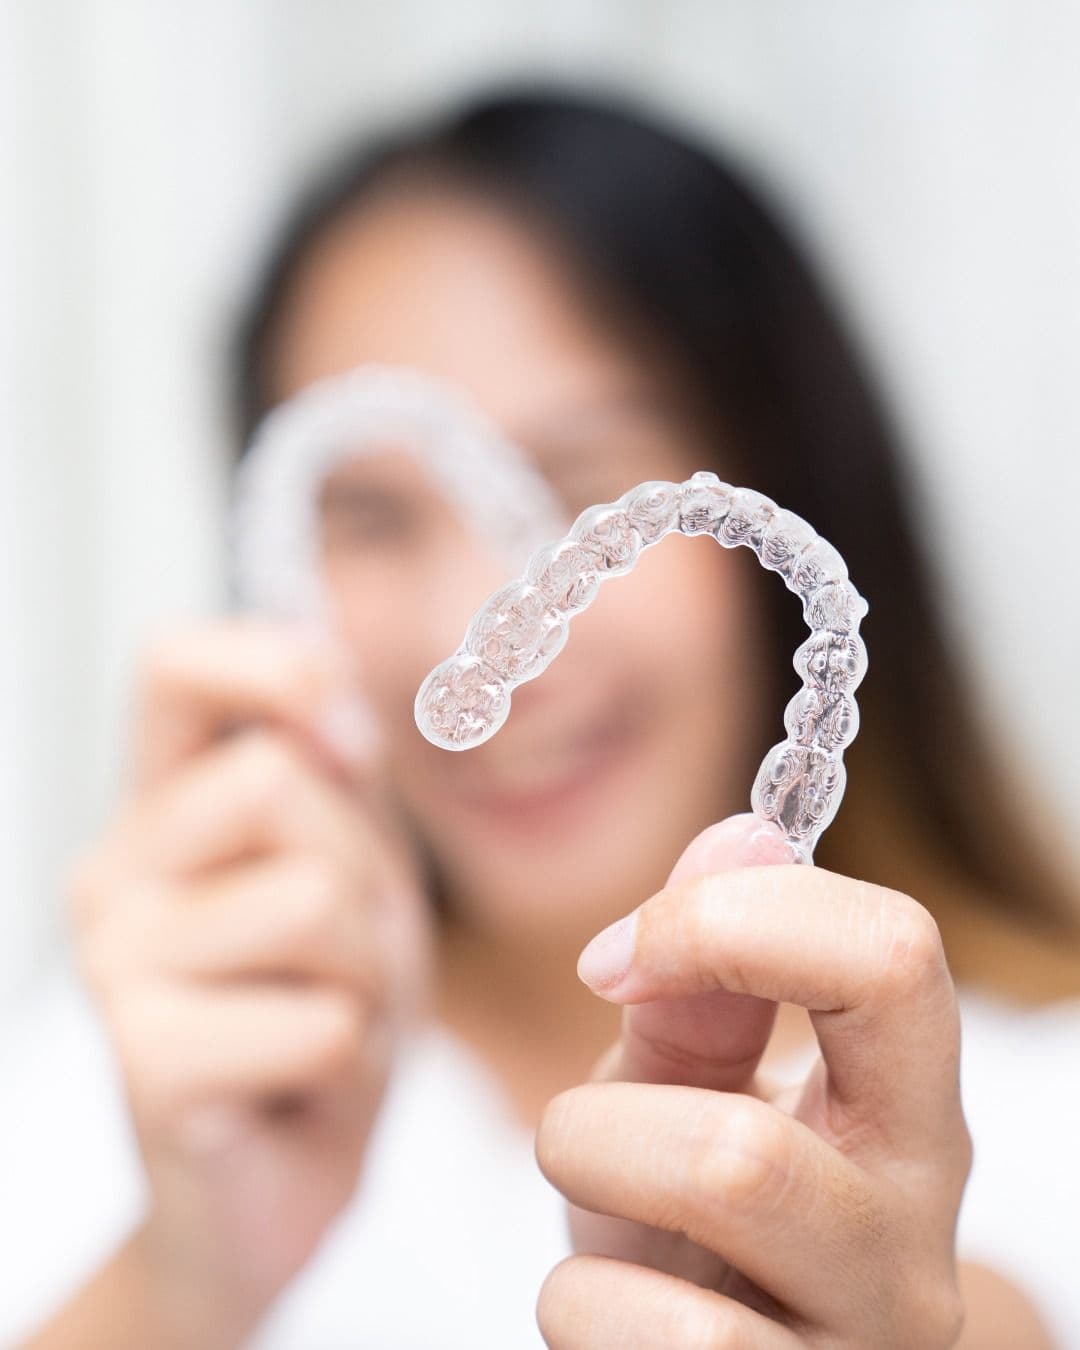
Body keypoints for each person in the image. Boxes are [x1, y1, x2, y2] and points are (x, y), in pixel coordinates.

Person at [6, 87, 1079, 1348]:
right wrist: (183, 1278)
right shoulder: (127, 1085)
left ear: (776, 487)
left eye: (584, 487)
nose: (474, 619)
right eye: (369, 516)